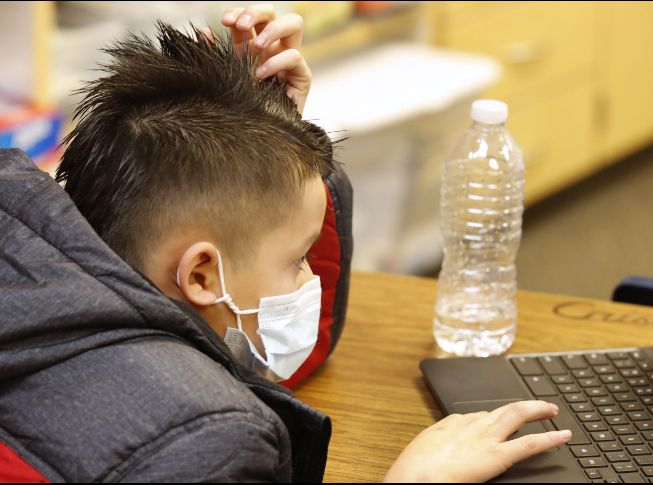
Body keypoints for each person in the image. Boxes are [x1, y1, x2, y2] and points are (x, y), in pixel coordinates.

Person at [0, 4, 571, 482]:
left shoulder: (35, 250)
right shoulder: (211, 439)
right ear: (200, 275)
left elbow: (273, 349)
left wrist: (272, 142)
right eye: (298, 260)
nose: (310, 280)